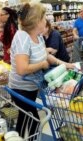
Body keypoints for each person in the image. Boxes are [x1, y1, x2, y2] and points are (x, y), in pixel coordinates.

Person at [9, 3, 75, 140]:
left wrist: (67, 65)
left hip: (32, 87)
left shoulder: (38, 36)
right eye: (44, 18)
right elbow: (22, 69)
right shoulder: (22, 37)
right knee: (34, 119)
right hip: (20, 88)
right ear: (37, 20)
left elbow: (47, 56)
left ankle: (18, 137)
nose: (46, 21)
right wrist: (42, 65)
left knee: (24, 117)